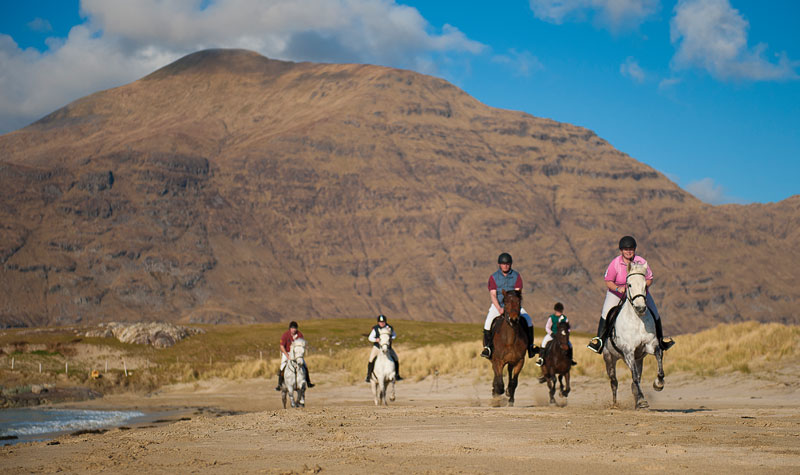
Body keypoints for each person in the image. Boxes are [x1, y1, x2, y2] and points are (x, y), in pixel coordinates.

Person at [587, 236, 675, 353]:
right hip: (617, 293)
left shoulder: (641, 262)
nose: (629, 251)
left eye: (631, 249)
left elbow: (649, 278)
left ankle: (661, 340)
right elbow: (608, 281)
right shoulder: (615, 264)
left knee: (654, 312)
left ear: (634, 250)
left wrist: (641, 288)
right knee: (606, 312)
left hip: (638, 293)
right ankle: (599, 341)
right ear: (621, 251)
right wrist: (619, 288)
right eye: (626, 249)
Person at [481, 252, 538, 359]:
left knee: (529, 320)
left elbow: (517, 293)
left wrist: (513, 308)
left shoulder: (516, 276)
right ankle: (488, 348)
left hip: (513, 306)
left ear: (510, 264)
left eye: (507, 263)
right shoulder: (493, 277)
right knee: (488, 323)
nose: (505, 265)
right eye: (503, 264)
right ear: (499, 264)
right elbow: (493, 295)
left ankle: (531, 347)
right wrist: (499, 308)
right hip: (498, 305)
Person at [275, 321, 314, 391]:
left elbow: (302, 344)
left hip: (297, 354)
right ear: (290, 329)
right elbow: (281, 346)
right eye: (292, 328)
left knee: (305, 365)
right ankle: (279, 384)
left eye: (295, 328)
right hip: (287, 352)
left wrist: (300, 354)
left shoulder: (299, 335)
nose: (294, 330)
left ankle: (308, 382)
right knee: (282, 366)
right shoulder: (285, 335)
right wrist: (287, 356)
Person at [535, 302, 577, 367]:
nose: (559, 312)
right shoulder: (551, 317)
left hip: (562, 336)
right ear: (555, 311)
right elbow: (547, 327)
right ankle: (541, 359)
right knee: (544, 343)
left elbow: (568, 328)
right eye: (558, 311)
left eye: (560, 311)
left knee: (570, 345)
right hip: (552, 334)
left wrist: (566, 334)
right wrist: (551, 333)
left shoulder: (565, 318)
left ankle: (571, 359)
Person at [365, 314, 403, 382]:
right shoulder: (375, 329)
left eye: (383, 322)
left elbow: (394, 335)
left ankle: (397, 375)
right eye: (380, 322)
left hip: (388, 347)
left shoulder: (390, 328)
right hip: (377, 347)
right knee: (371, 359)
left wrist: (391, 338)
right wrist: (376, 340)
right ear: (378, 322)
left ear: (385, 322)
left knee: (396, 358)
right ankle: (368, 375)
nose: (382, 323)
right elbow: (370, 338)